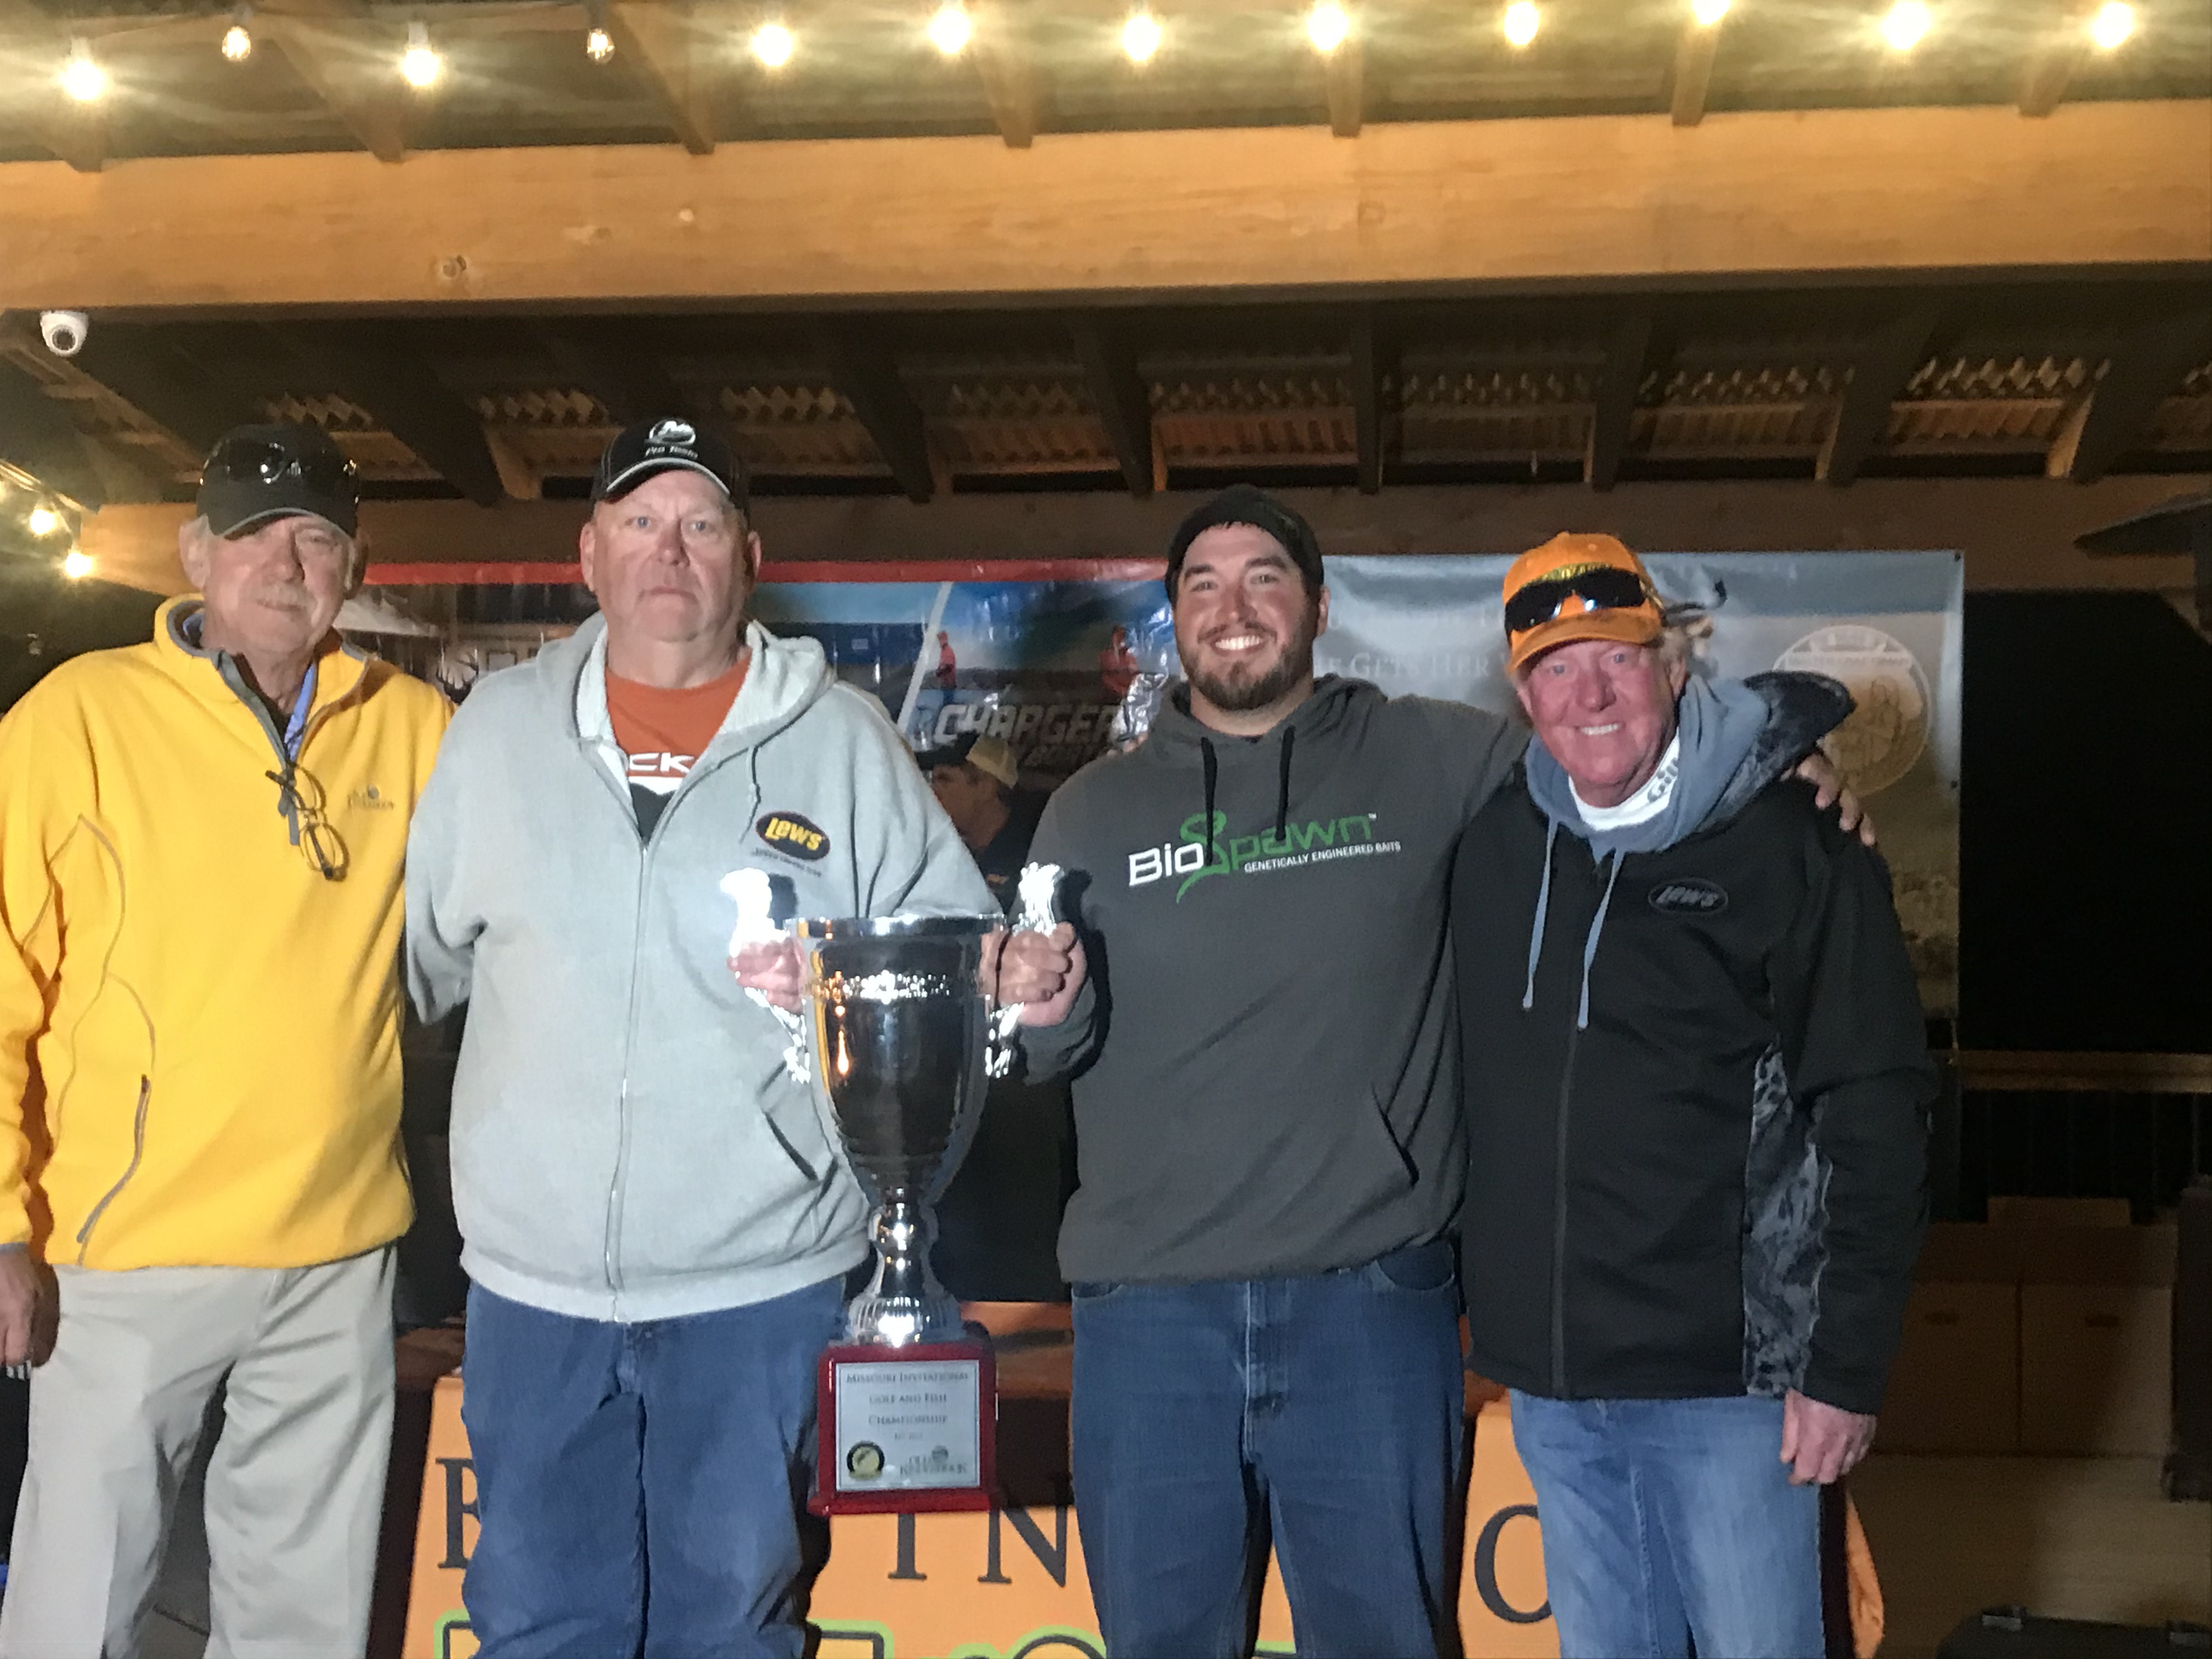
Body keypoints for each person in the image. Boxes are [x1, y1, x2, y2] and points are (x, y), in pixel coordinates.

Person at [1011, 487, 1864, 1656]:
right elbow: (1050, 1045)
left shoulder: (1437, 755)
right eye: (1201, 586)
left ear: (1315, 604)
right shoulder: (1089, 811)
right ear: (1175, 620)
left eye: (1265, 576)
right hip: (1148, 1318)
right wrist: (1039, 1012)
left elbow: (1622, 739)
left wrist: (1785, 764)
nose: (1234, 606)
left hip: (1368, 1309)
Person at [407, 417, 1077, 1659]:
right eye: (643, 522)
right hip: (534, 1291)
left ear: (747, 556)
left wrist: (1027, 984)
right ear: (590, 552)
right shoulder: (493, 734)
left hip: (761, 1287)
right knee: (540, 1625)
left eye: (702, 524)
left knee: (734, 1623)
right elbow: (427, 970)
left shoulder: (847, 745)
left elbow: (958, 983)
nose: (672, 551)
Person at [0, 424, 452, 1658]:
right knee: (73, 1609)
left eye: (316, 537)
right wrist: (2, 1227)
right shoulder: (76, 719)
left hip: (338, 1255)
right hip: (127, 1259)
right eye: (253, 533)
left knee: (304, 1621)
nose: (284, 562)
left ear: (353, 570)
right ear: (195, 553)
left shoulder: (416, 731)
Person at [1451, 533, 1933, 1659]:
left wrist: (1844, 1368)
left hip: (1733, 1390)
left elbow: (1877, 1106)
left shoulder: (1798, 843)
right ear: (1524, 695)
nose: (1591, 694)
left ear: (1674, 668)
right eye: (1556, 668)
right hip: (1557, 1394)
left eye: (1618, 658)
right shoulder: (1494, 848)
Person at [924, 733, 1043, 909]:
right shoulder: (946, 853)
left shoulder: (1032, 858)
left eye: (944, 780)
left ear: (987, 787)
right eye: (932, 781)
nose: (932, 793)